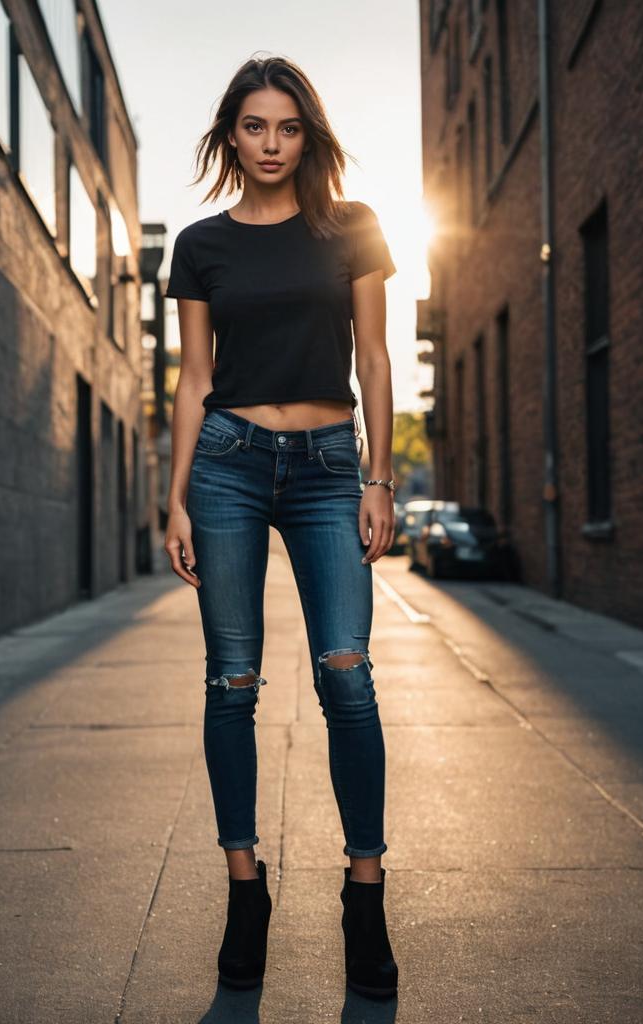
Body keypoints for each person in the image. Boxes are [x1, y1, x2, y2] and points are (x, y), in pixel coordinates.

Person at [163, 55, 399, 1001]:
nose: (271, 144)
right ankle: (244, 890)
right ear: (231, 135)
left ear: (310, 135)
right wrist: (176, 493)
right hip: (226, 465)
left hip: (330, 466)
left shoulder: (353, 228)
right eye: (254, 128)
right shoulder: (199, 244)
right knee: (233, 681)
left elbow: (376, 359)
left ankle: (366, 893)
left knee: (347, 671)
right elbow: (191, 376)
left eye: (287, 128)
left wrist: (379, 476)